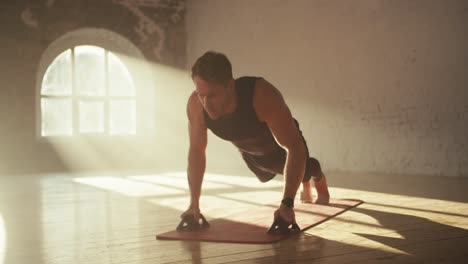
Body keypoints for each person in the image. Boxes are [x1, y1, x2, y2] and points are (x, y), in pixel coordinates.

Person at [182, 51, 330, 228]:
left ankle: (317, 178)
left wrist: (287, 205)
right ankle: (302, 181)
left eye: (212, 95)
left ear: (230, 86)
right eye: (201, 94)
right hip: (250, 152)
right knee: (265, 175)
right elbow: (196, 152)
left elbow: (294, 147)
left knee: (304, 169)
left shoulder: (261, 95)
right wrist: (194, 205)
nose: (206, 103)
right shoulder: (196, 106)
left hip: (280, 146)